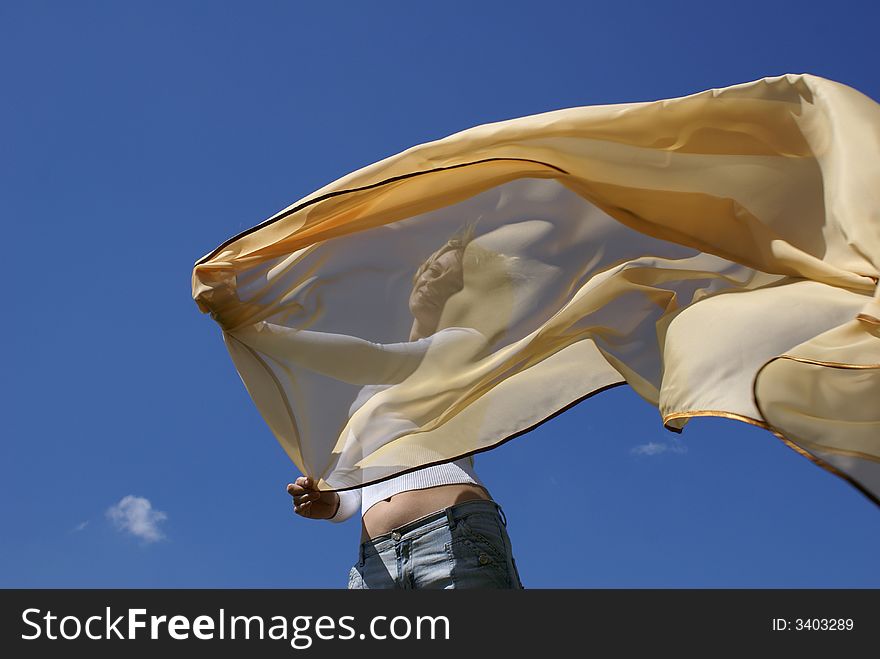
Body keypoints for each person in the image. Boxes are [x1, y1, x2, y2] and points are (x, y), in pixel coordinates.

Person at [287, 225, 524, 589]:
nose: (433, 278)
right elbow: (353, 485)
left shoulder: (463, 345)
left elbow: (374, 358)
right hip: (374, 563)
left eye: (450, 276)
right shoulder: (369, 394)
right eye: (431, 268)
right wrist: (330, 502)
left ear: (466, 294)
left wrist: (266, 334)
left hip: (454, 535)